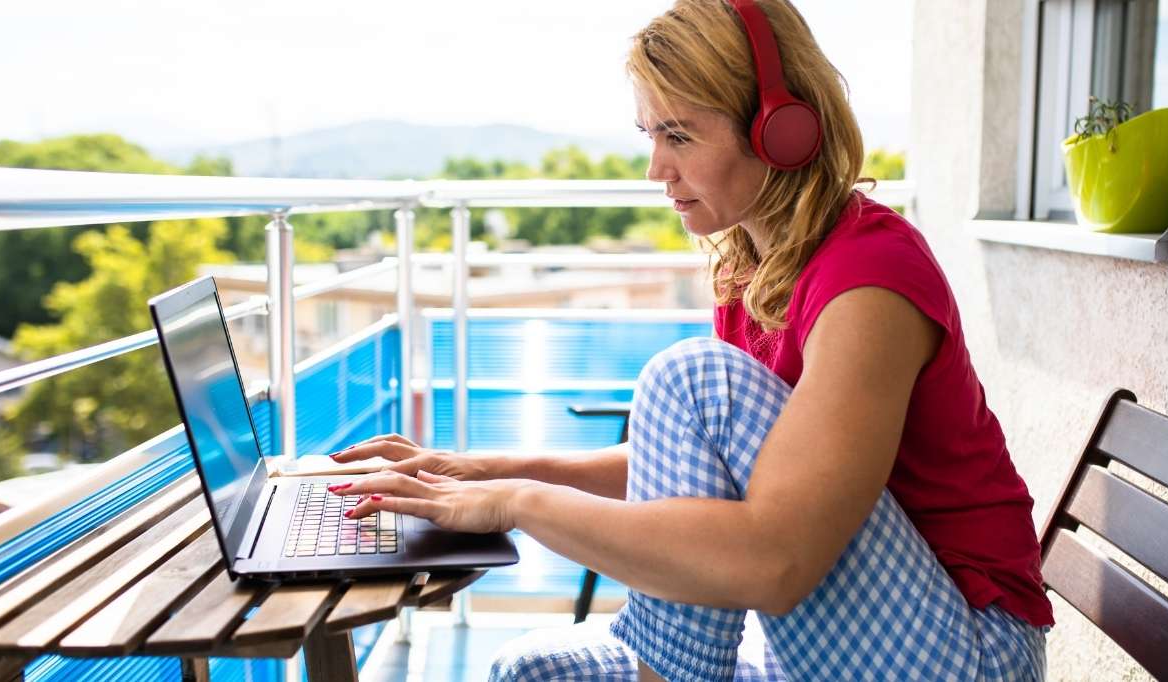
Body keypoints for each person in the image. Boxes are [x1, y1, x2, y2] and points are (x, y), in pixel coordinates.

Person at [326, 1, 1053, 679]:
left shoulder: (869, 281)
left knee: (688, 377)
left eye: (678, 136)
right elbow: (683, 459)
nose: (655, 170)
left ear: (782, 129)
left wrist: (518, 504)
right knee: (527, 668)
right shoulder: (754, 267)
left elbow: (777, 563)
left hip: (966, 647)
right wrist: (478, 470)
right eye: (650, 136)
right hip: (851, 631)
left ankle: (661, 671)